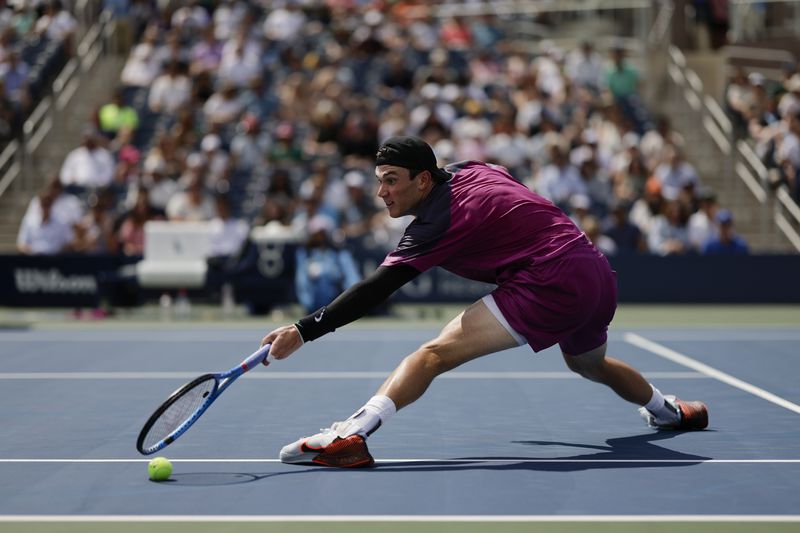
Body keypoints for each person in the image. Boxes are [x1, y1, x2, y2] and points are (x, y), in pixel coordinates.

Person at [260, 136, 709, 469]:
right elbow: (509, 189)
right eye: (380, 182)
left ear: (422, 179)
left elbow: (377, 288)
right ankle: (670, 412)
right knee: (590, 364)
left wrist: (303, 330)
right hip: (592, 268)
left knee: (431, 355)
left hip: (548, 279)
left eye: (391, 182)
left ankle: (350, 435)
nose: (383, 193)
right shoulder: (473, 168)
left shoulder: (438, 221)